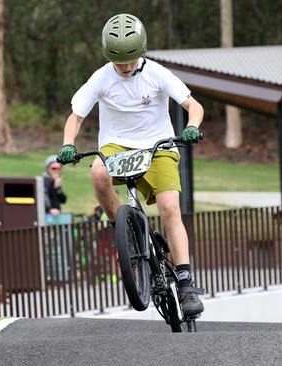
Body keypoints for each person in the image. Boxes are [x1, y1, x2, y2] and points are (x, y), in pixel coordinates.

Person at [57, 13, 205, 317]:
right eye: (117, 62)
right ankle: (121, 229)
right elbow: (76, 116)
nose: (124, 68)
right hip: (117, 145)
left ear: (142, 52)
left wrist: (191, 125)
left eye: (130, 61)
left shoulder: (158, 74)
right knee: (98, 172)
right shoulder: (101, 78)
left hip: (158, 145)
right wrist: (68, 143)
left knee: (169, 209)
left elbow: (193, 105)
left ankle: (187, 285)